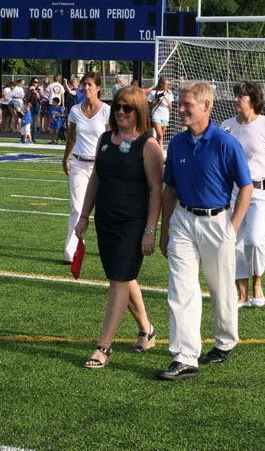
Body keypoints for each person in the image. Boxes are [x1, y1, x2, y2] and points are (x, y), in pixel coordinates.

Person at [156, 80, 253, 381]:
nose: (180, 109)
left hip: (217, 222)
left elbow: (246, 187)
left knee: (221, 288)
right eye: (180, 104)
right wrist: (164, 229)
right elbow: (169, 188)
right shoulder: (177, 143)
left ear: (206, 106)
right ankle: (185, 357)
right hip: (183, 221)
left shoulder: (226, 143)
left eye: (187, 104)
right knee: (181, 288)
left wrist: (231, 227)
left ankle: (225, 342)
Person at [74, 86, 165, 368]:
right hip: (106, 220)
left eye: (128, 108)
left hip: (133, 223)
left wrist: (151, 230)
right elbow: (96, 180)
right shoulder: (104, 139)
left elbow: (156, 191)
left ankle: (104, 346)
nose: (121, 112)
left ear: (140, 111)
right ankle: (147, 329)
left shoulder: (149, 145)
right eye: (117, 107)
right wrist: (84, 216)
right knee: (122, 278)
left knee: (118, 280)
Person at [221, 81, 265, 308]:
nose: (235, 99)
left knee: (254, 240)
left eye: (240, 96)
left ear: (252, 100)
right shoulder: (226, 126)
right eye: (235, 96)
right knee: (233, 242)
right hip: (233, 192)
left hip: (261, 192)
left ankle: (257, 283)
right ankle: (241, 292)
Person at [62, 72, 110, 264]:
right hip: (79, 163)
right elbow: (72, 137)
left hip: (101, 166)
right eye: (84, 84)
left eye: (90, 84)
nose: (86, 88)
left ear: (98, 88)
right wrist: (65, 158)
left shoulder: (107, 110)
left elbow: (111, 138)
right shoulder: (75, 110)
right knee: (77, 207)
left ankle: (109, 246)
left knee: (105, 210)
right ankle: (71, 250)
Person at [147, 77, 174, 149]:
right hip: (156, 115)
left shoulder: (169, 93)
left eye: (168, 85)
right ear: (161, 84)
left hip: (165, 116)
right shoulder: (153, 92)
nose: (167, 86)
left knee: (161, 137)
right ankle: (160, 154)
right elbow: (149, 106)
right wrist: (157, 102)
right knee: (160, 136)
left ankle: (156, 149)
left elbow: (170, 108)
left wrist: (168, 103)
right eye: (165, 84)